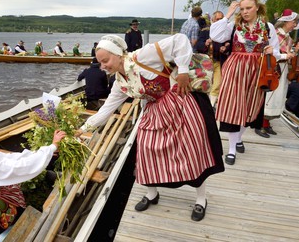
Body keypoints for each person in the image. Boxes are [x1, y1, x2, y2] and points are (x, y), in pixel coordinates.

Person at [75, 34, 224, 222]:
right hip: (154, 110)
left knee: (192, 151)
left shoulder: (142, 56)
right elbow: (106, 110)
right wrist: (82, 129)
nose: (103, 66)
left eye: (106, 60)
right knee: (146, 150)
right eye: (100, 63)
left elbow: (179, 40)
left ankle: (201, 199)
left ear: (118, 54)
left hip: (179, 102)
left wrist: (183, 70)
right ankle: (152, 193)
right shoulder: (119, 83)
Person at [210, 0, 290, 165]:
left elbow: (275, 51)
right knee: (234, 107)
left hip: (258, 69)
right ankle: (231, 149)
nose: (245, 12)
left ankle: (239, 137)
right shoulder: (233, 26)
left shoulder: (267, 27)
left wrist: (272, 52)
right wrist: (229, 13)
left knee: (252, 107)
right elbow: (215, 35)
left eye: (248, 8)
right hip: (236, 69)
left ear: (257, 8)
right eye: (242, 8)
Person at [259, 9, 299, 138]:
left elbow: (287, 53)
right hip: (274, 67)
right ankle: (262, 123)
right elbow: (273, 53)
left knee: (278, 96)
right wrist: (287, 54)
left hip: (282, 66)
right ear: (287, 22)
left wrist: (295, 51)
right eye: (293, 22)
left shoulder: (287, 37)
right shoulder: (277, 34)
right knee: (271, 95)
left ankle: (266, 123)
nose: (295, 25)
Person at [208, 11, 231, 109]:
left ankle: (211, 105)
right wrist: (205, 44)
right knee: (207, 84)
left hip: (219, 61)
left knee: (217, 84)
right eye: (218, 19)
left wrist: (226, 48)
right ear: (213, 20)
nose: (220, 21)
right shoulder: (206, 31)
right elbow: (198, 44)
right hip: (207, 62)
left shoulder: (227, 32)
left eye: (221, 19)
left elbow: (230, 45)